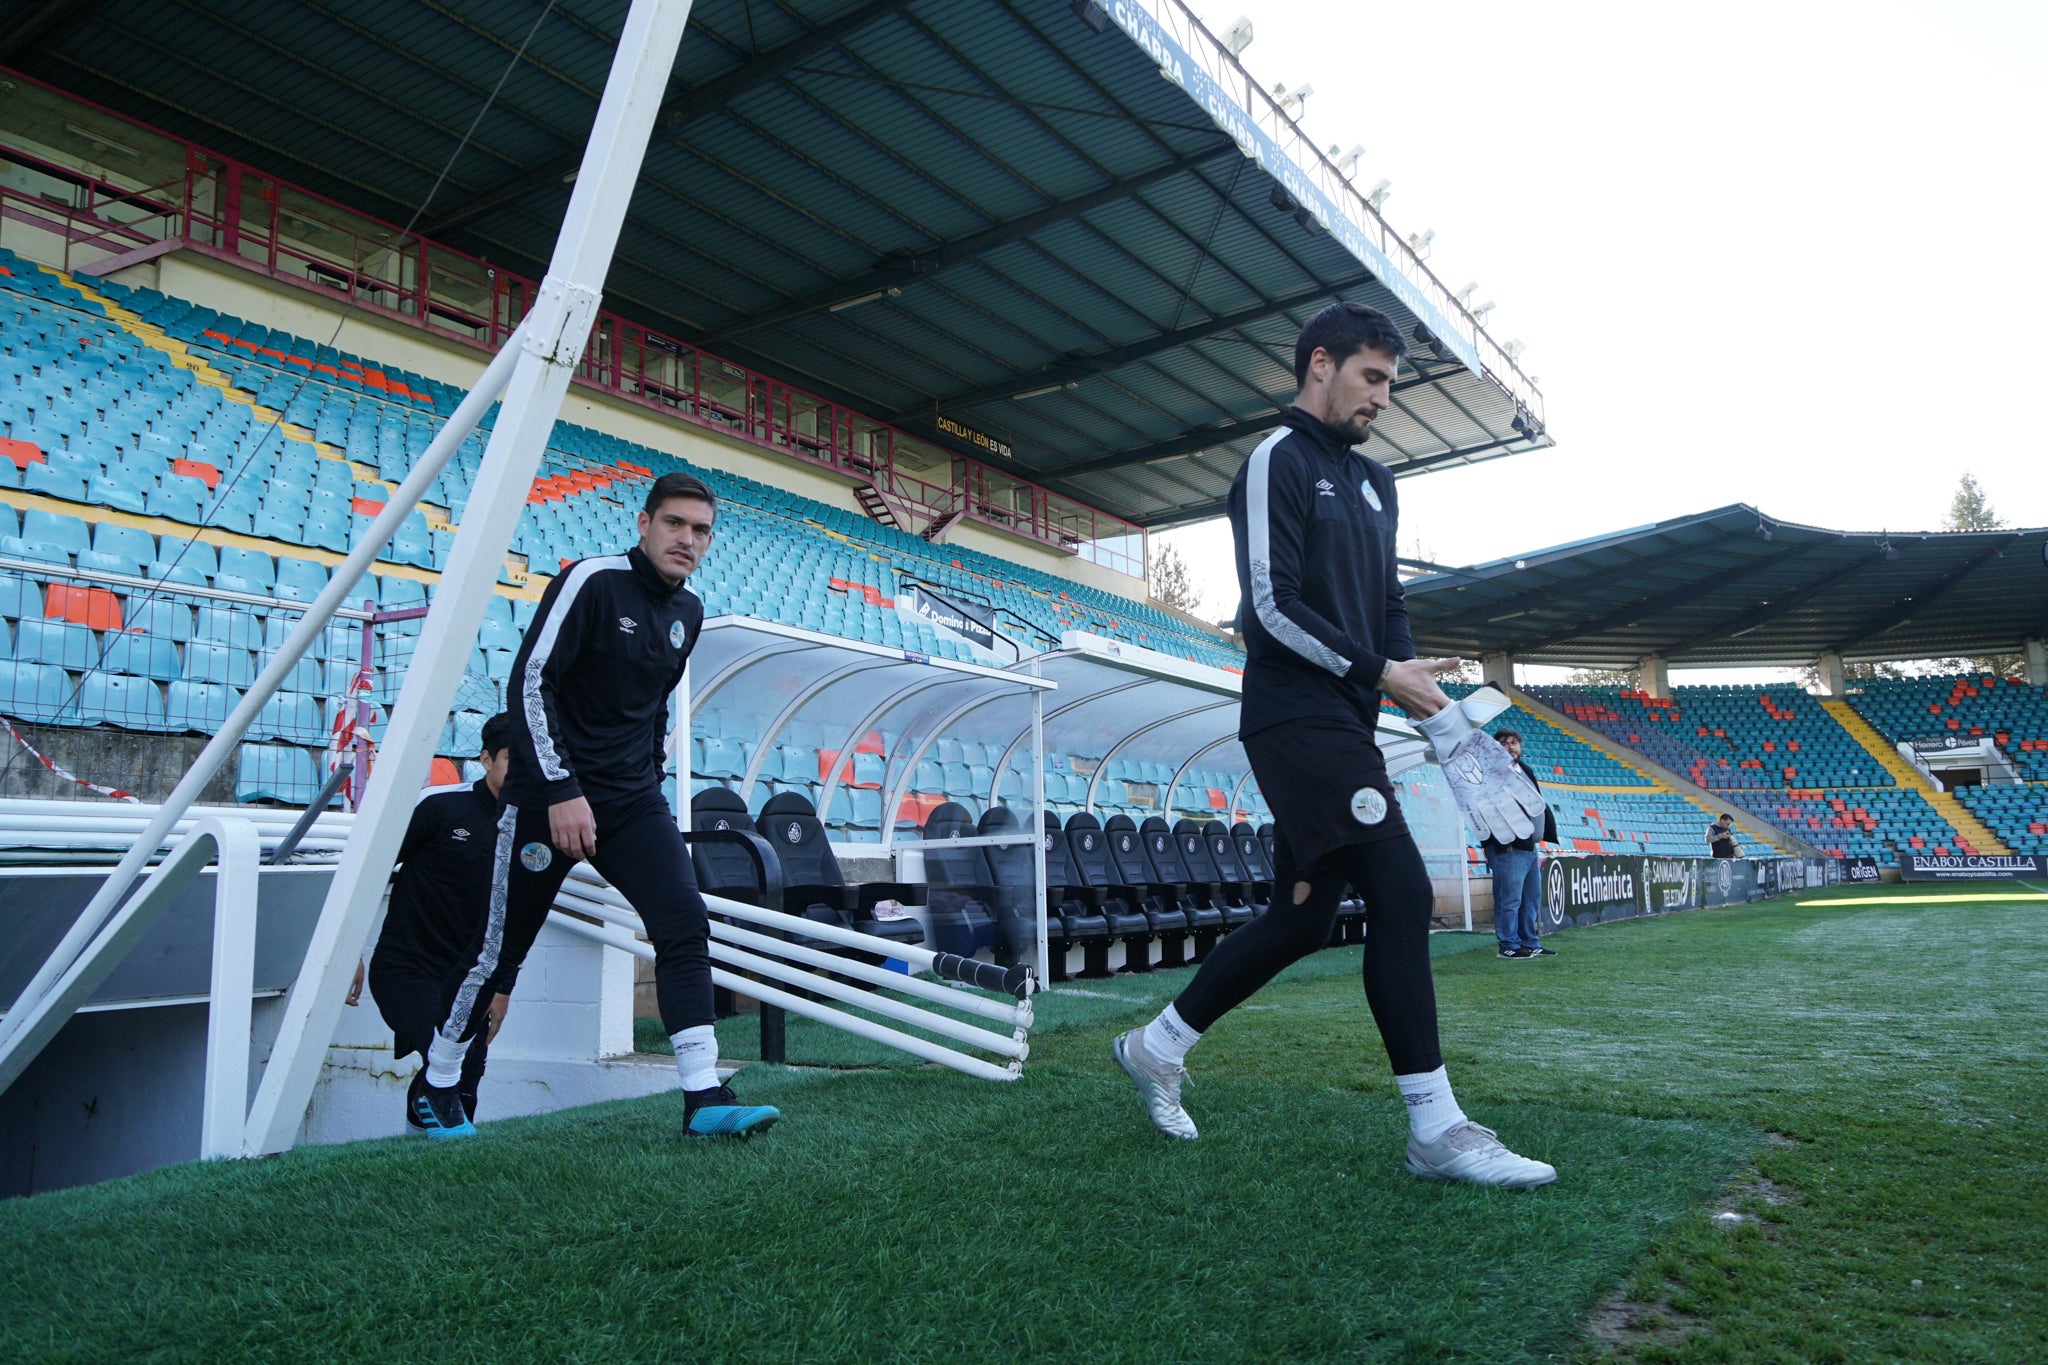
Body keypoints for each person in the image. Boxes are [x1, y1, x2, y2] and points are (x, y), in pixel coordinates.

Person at [1110, 302, 1555, 1188]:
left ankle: (1157, 1046)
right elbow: (1269, 608)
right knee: (1400, 887)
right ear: (1321, 363)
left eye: (1390, 380)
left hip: (1346, 716)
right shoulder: (1276, 460)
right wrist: (1379, 671)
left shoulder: (1378, 484)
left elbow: (1386, 605)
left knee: (1304, 914)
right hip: (1292, 715)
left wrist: (1412, 683)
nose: (1383, 397)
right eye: (1373, 376)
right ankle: (1435, 1127)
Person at [410, 471, 779, 1141]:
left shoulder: (688, 612)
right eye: (675, 523)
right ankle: (435, 1083)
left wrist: (650, 781)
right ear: (643, 523)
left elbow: (652, 709)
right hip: (545, 799)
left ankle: (703, 1094)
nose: (687, 539)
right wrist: (559, 789)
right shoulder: (592, 581)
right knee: (496, 950)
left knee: (682, 921)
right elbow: (529, 682)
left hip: (631, 801)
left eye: (700, 530)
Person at [358, 713, 516, 1130]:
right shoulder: (440, 806)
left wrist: (502, 987)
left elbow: (517, 916)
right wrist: (348, 954)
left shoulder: (531, 828)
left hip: (470, 978)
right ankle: (434, 1144)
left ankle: (427, 1160)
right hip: (405, 967)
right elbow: (368, 874)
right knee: (440, 1058)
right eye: (511, 759)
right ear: (486, 759)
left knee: (467, 1073)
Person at [1484, 730, 1559, 959]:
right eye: (1504, 743)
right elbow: (1487, 809)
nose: (1511, 747)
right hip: (1507, 845)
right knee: (1510, 899)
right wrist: (1500, 842)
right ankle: (1508, 945)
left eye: (1515, 743)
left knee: (1530, 898)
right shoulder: (1490, 773)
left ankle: (1529, 942)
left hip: (1528, 846)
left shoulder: (1525, 769)